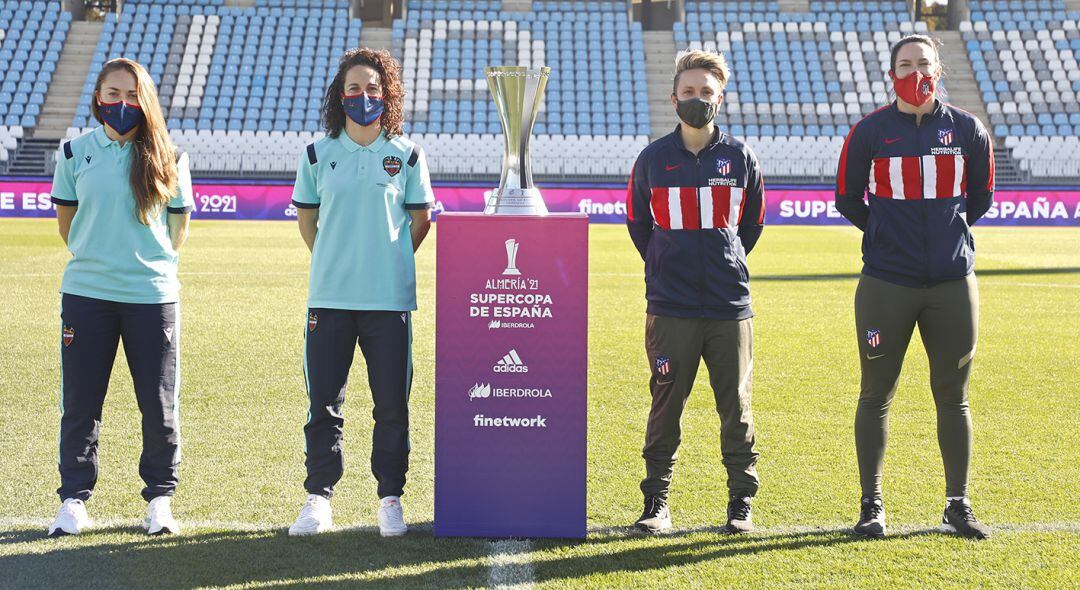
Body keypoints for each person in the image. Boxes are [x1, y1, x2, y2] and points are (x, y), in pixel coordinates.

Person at [835, 34, 995, 540]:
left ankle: (957, 504)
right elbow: (846, 198)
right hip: (887, 282)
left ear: (938, 69)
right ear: (891, 73)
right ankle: (871, 506)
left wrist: (943, 240)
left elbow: (981, 198)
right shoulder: (869, 132)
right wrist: (887, 236)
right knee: (875, 394)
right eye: (905, 64)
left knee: (953, 395)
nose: (915, 71)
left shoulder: (968, 130)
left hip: (951, 283)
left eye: (923, 62)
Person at [287, 47, 434, 537]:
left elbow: (419, 221)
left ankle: (390, 497)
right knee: (323, 403)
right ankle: (318, 498)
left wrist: (385, 260)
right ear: (340, 94)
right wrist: (336, 259)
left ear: (386, 94)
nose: (363, 96)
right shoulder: (316, 153)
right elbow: (309, 222)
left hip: (389, 301)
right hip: (329, 299)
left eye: (373, 88)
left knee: (391, 403)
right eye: (354, 88)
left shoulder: (407, 154)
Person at [48, 58, 194, 537]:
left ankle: (160, 500)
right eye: (113, 94)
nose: (123, 104)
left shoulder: (169, 156)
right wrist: (97, 257)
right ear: (98, 98)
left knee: (158, 405)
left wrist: (149, 266)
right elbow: (68, 224)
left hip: (151, 298)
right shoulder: (73, 153)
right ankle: (73, 499)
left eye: (132, 96)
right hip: (87, 295)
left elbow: (178, 228)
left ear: (146, 100)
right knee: (82, 402)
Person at [625, 50, 766, 534]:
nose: (697, 100)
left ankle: (740, 503)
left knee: (737, 407)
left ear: (719, 99)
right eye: (689, 92)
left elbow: (751, 225)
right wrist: (670, 266)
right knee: (666, 404)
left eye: (706, 93)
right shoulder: (652, 159)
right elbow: (639, 226)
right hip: (671, 308)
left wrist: (724, 260)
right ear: (674, 98)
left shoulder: (740, 157)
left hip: (730, 308)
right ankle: (656, 503)